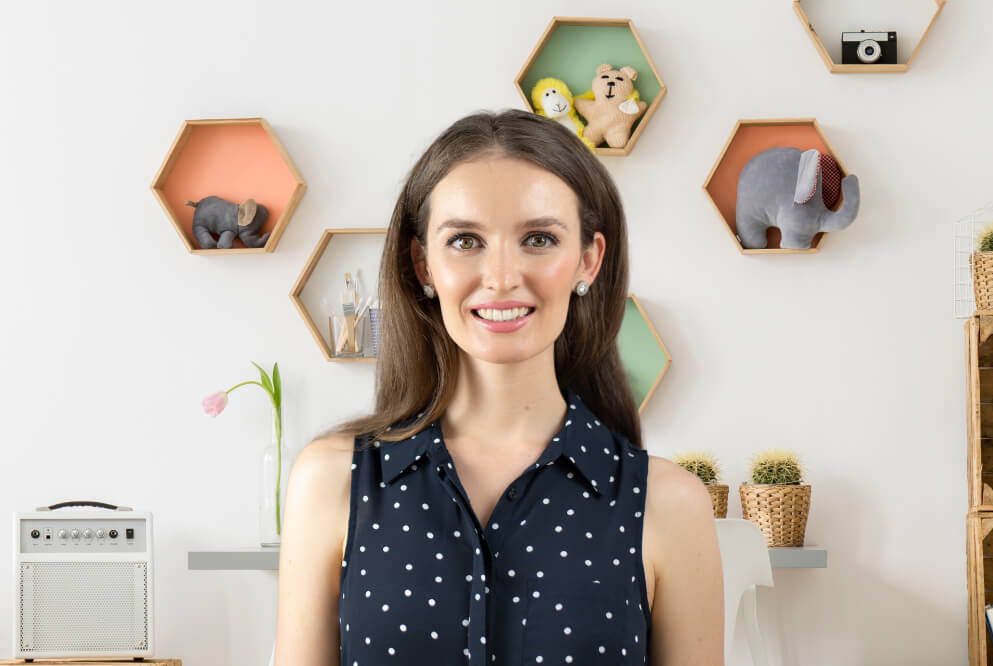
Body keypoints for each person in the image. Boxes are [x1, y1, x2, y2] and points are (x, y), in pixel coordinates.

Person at [275, 109, 724, 665]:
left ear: (588, 259)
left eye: (538, 238)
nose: (502, 276)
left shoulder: (671, 505)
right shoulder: (331, 483)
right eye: (465, 241)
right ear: (423, 265)